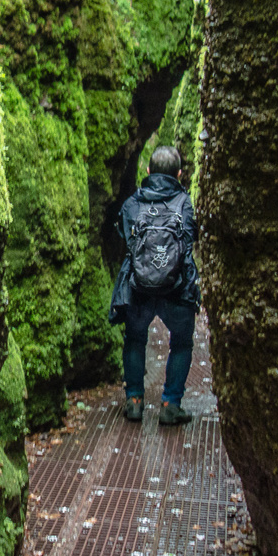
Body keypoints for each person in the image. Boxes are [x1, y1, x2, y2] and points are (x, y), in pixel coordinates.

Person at [110, 144, 200, 426]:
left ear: (148, 172)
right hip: (177, 289)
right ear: (180, 174)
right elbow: (189, 241)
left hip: (139, 288)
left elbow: (125, 237)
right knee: (182, 343)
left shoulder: (132, 203)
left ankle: (135, 401)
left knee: (135, 339)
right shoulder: (184, 203)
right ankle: (171, 404)